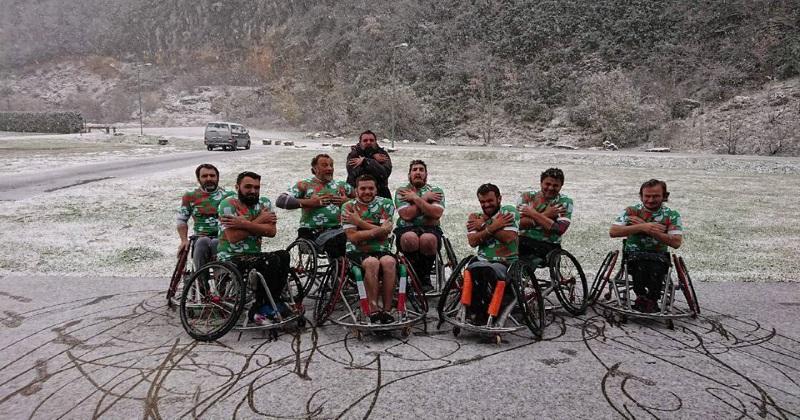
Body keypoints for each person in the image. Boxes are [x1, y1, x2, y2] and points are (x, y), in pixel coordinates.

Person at [217, 171, 290, 325]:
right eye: (248, 187)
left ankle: (272, 301)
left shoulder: (264, 203)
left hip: (254, 254)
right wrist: (259, 220)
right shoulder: (228, 205)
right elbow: (233, 237)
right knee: (270, 260)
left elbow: (271, 232)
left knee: (284, 255)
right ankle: (258, 307)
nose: (253, 191)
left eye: (257, 187)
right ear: (237, 187)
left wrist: (243, 224)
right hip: (231, 256)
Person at [609, 179, 683, 313]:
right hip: (633, 254)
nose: (650, 200)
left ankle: (651, 299)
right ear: (641, 196)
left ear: (664, 196)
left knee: (656, 267)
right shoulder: (631, 211)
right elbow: (613, 232)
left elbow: (676, 242)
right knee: (639, 266)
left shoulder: (672, 215)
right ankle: (642, 297)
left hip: (658, 256)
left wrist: (650, 230)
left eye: (655, 196)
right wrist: (643, 227)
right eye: (647, 196)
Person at [341, 174, 397, 324]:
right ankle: (373, 310)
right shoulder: (348, 207)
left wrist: (359, 222)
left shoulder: (386, 204)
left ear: (376, 189)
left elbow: (384, 235)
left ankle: (387, 310)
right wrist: (379, 230)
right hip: (356, 251)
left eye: (371, 188)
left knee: (390, 262)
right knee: (372, 263)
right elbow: (353, 236)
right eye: (363, 188)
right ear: (356, 190)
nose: (367, 192)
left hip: (382, 249)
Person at [275, 153, 354, 257]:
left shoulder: (341, 185)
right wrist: (310, 202)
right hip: (312, 233)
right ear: (315, 169)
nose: (330, 168)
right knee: (339, 239)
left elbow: (364, 200)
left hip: (338, 230)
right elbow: (281, 201)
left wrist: (347, 201)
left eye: (331, 165)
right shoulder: (305, 185)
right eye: (325, 165)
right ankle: (340, 264)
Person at [465, 184, 520, 325]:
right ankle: (474, 312)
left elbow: (508, 237)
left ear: (499, 198)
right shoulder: (475, 217)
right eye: (482, 202)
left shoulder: (508, 212)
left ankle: (488, 313)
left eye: (490, 201)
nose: (486, 205)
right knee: (472, 270)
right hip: (482, 260)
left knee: (488, 270)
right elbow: (473, 241)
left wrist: (484, 225)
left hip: (505, 261)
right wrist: (493, 226)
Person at [394, 160, 445, 291]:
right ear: (409, 174)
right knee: (409, 238)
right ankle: (414, 276)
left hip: (431, 230)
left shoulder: (436, 191)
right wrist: (426, 201)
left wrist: (415, 199)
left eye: (421, 170)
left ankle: (423, 277)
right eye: (414, 170)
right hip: (406, 229)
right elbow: (406, 215)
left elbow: (436, 213)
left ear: (426, 174)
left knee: (428, 239)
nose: (418, 172)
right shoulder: (402, 191)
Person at [176, 163, 231, 272]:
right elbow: (181, 220)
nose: (209, 178)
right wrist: (183, 240)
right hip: (200, 237)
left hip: (223, 237)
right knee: (203, 241)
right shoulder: (190, 196)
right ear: (198, 179)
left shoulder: (229, 196)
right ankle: (201, 279)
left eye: (212, 175)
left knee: (216, 242)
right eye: (204, 176)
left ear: (217, 178)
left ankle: (220, 278)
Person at [517, 168, 574, 261]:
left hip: (549, 245)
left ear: (561, 186)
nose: (550, 188)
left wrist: (532, 213)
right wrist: (546, 214)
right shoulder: (527, 196)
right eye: (547, 184)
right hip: (523, 240)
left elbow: (559, 229)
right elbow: (518, 224)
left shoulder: (565, 202)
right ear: (541, 183)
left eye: (555, 185)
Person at [346, 130, 393, 199]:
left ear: (375, 142)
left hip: (381, 195)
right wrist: (372, 160)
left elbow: (383, 174)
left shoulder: (383, 154)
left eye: (371, 140)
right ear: (360, 142)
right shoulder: (353, 154)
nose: (368, 142)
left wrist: (365, 161)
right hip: (356, 195)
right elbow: (354, 173)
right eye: (365, 140)